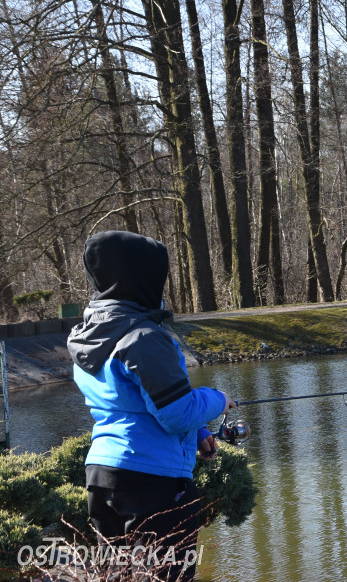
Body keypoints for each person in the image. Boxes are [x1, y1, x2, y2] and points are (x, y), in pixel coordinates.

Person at [67, 231, 235, 581]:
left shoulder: (88, 335)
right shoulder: (144, 337)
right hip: (152, 482)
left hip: (102, 476)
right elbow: (177, 414)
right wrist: (217, 399)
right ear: (142, 276)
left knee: (120, 575)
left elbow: (130, 404)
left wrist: (199, 430)